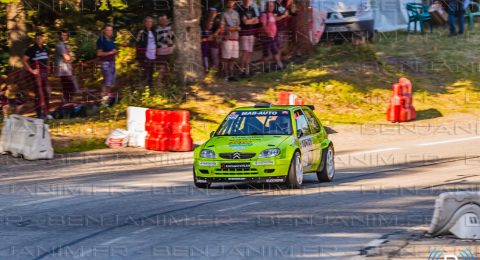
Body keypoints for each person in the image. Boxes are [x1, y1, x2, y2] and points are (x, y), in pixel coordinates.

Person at [22, 32, 51, 119]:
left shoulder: (46, 49)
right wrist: (31, 70)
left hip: (45, 74)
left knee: (46, 93)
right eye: (37, 38)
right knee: (38, 94)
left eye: (41, 38)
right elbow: (24, 60)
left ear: (43, 39)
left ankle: (47, 112)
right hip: (36, 75)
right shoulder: (31, 49)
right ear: (35, 39)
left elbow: (47, 60)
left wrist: (48, 69)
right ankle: (39, 114)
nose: (39, 39)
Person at [237, 0, 259, 77]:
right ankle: (241, 71)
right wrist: (252, 20)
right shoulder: (240, 9)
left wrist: (250, 21)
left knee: (249, 53)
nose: (247, 1)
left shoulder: (252, 9)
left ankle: (247, 71)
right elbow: (245, 22)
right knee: (245, 52)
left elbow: (257, 21)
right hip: (244, 34)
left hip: (251, 33)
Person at [55, 29, 79, 103]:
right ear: (59, 36)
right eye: (62, 35)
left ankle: (67, 103)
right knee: (73, 88)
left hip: (67, 69)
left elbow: (70, 58)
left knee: (67, 88)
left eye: (65, 35)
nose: (64, 36)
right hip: (63, 70)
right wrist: (70, 57)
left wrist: (70, 58)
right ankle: (68, 103)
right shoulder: (59, 45)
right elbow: (67, 57)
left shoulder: (64, 45)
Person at [96, 24, 118, 103]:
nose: (109, 31)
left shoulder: (110, 40)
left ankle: (107, 98)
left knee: (111, 81)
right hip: (105, 62)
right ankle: (103, 99)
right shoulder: (101, 40)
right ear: (104, 31)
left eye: (111, 30)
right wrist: (110, 52)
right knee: (107, 81)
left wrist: (115, 52)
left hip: (112, 62)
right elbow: (99, 53)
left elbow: (112, 50)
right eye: (108, 30)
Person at [261, 1, 284, 71]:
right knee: (267, 52)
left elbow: (275, 21)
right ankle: (267, 67)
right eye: (270, 6)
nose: (272, 7)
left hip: (273, 36)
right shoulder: (264, 15)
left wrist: (283, 16)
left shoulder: (271, 14)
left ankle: (279, 65)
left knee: (274, 51)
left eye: (273, 6)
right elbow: (263, 26)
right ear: (267, 7)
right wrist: (268, 33)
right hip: (267, 37)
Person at [221, 0, 241, 81]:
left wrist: (237, 28)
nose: (231, 3)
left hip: (235, 38)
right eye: (229, 2)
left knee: (233, 57)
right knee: (226, 57)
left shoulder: (236, 13)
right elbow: (222, 27)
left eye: (232, 1)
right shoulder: (224, 14)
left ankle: (231, 75)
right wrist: (232, 28)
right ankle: (226, 75)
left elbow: (238, 25)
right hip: (227, 37)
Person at [136, 17, 157, 87]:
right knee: (144, 72)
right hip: (144, 55)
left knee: (151, 71)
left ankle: (150, 88)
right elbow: (137, 43)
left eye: (150, 22)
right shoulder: (141, 32)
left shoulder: (154, 32)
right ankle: (142, 88)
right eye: (147, 22)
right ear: (145, 23)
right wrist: (140, 54)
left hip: (153, 55)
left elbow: (156, 42)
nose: (149, 23)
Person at [156, 14, 175, 86]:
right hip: (161, 53)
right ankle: (158, 86)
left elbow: (173, 39)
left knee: (169, 70)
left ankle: (168, 86)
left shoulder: (169, 28)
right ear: (159, 21)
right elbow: (163, 40)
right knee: (161, 70)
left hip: (170, 52)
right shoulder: (157, 30)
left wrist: (171, 40)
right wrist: (168, 38)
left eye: (166, 19)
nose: (165, 21)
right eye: (163, 19)